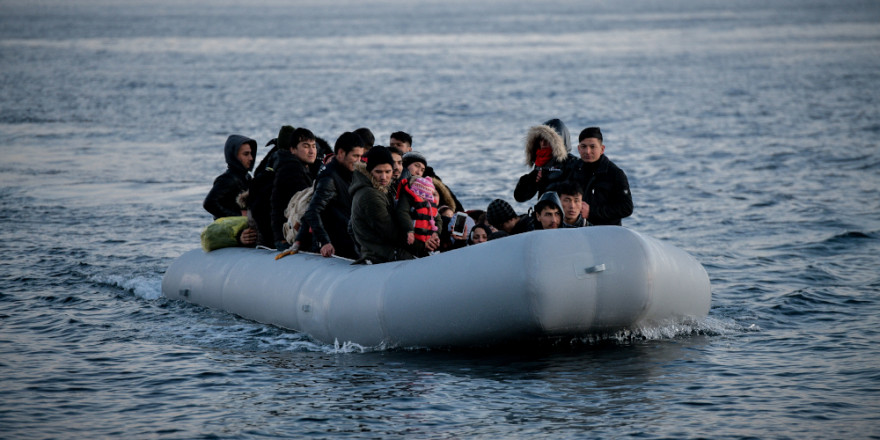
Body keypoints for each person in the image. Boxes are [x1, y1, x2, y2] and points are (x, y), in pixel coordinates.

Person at [351, 147, 437, 264]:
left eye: (388, 172)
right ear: (369, 170)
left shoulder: (382, 188)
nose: (384, 177)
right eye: (378, 172)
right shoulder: (370, 195)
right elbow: (391, 232)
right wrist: (422, 246)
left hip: (387, 252)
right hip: (383, 256)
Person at [293, 132, 364, 259]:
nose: (359, 161)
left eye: (361, 157)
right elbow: (312, 211)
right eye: (355, 156)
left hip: (350, 241)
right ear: (341, 153)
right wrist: (324, 242)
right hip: (336, 247)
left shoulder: (349, 173)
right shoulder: (329, 178)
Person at [567, 127, 633, 226]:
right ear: (579, 149)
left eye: (592, 147)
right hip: (578, 229)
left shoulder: (615, 174)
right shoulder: (573, 169)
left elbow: (626, 208)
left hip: (606, 231)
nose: (588, 151)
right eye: (584, 146)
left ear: (602, 149)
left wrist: (592, 212)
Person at [203, 134, 257, 245]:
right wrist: (238, 216)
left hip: (244, 229)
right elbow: (209, 203)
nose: (251, 158)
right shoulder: (227, 179)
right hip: (229, 230)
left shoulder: (247, 177)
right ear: (234, 156)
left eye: (251, 153)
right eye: (246, 154)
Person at [270, 127, 318, 250]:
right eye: (306, 146)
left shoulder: (301, 167)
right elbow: (304, 204)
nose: (311, 151)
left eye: (313, 146)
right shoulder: (292, 169)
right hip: (287, 237)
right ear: (293, 149)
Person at [514, 118, 578, 203]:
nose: (543, 143)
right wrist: (530, 180)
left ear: (558, 141)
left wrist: (551, 181)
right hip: (544, 211)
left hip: (565, 212)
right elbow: (520, 197)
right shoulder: (541, 162)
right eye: (541, 139)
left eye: (547, 139)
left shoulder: (572, 163)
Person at [393, 176, 442, 257]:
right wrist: (410, 231)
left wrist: (436, 233)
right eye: (422, 197)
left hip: (427, 241)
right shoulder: (409, 202)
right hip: (411, 242)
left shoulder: (430, 206)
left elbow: (438, 220)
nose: (424, 200)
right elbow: (402, 213)